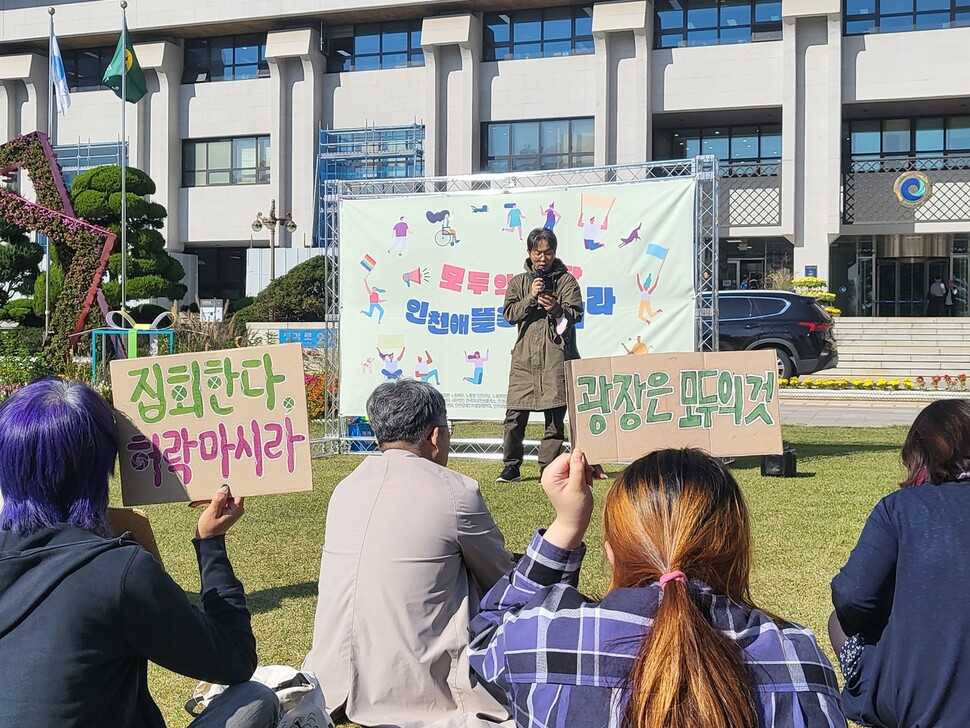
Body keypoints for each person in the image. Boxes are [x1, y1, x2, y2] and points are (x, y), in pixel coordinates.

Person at [471, 448, 845, 728]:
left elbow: (486, 631)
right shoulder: (796, 656)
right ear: (736, 550)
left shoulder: (541, 637)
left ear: (612, 553)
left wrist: (567, 525)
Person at [0, 378, 279, 728]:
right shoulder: (118, 571)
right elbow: (235, 660)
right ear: (103, 467)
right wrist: (210, 544)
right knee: (254, 699)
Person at [304, 379, 514, 728]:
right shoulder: (456, 492)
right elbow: (502, 579)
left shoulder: (345, 488)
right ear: (436, 436)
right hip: (415, 690)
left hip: (329, 681)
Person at [830, 399, 970, 727]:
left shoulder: (900, 509)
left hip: (917, 705)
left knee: (837, 621)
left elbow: (852, 598)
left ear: (919, 454)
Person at [497, 228, 583, 483]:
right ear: (529, 253)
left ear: (555, 253)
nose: (543, 258)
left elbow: (576, 314)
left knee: (555, 419)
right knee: (514, 417)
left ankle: (547, 468)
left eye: (548, 253)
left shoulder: (566, 281)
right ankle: (511, 467)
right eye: (538, 253)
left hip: (555, 357)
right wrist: (531, 297)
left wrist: (556, 308)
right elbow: (510, 314)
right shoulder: (519, 282)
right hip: (524, 360)